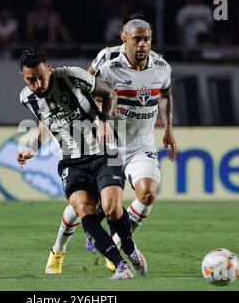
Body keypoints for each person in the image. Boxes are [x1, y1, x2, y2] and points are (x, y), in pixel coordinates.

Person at [46, 18, 177, 275]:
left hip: (140, 145)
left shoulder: (162, 67)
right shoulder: (107, 63)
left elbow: (166, 95)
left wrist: (169, 129)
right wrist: (102, 109)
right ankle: (58, 249)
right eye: (137, 39)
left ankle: (113, 244)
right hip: (108, 146)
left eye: (147, 39)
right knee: (86, 207)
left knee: (148, 193)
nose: (142, 44)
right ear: (124, 38)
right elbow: (83, 91)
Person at [17, 47, 146, 279]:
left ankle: (129, 248)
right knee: (84, 210)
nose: (38, 84)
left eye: (41, 77)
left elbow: (109, 94)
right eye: (31, 80)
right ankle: (121, 266)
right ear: (22, 78)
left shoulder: (72, 76)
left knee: (111, 209)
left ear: (49, 69)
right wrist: (32, 148)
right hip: (72, 161)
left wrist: (105, 121)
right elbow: (46, 123)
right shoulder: (27, 97)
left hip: (105, 152)